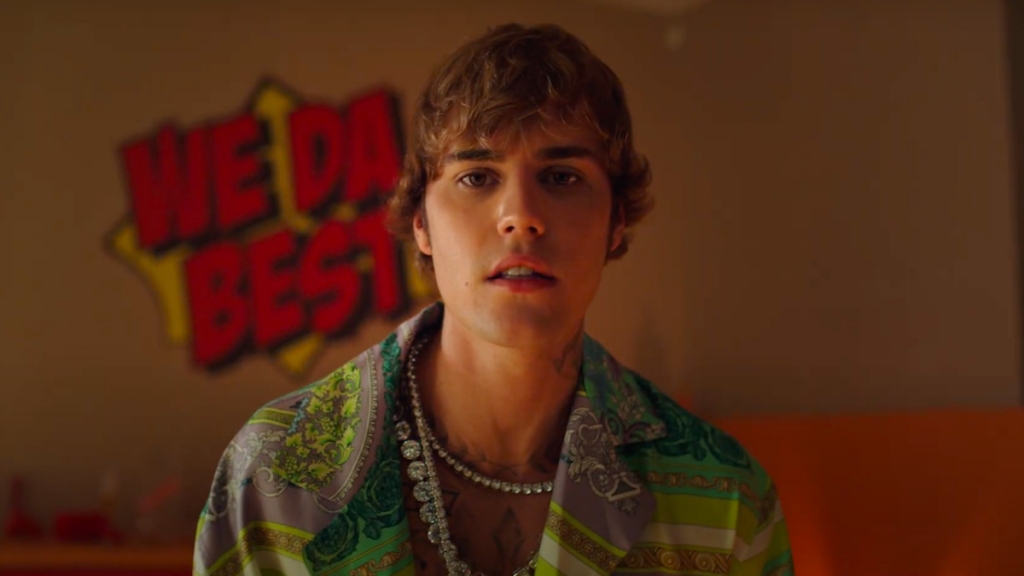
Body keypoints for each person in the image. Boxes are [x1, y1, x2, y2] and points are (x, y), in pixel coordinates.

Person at [193, 23, 794, 576]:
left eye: (561, 177)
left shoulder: (724, 499)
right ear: (421, 222)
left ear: (616, 222)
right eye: (477, 177)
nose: (520, 216)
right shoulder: (273, 474)